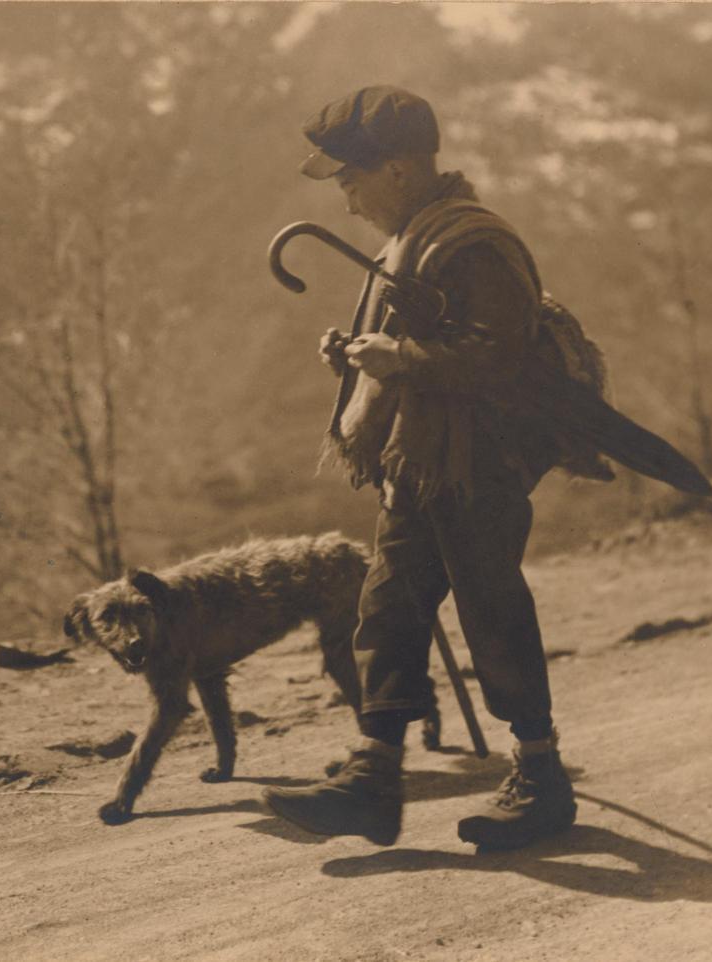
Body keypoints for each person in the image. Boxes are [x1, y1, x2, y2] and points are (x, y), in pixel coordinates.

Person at [262, 85, 578, 850]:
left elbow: (498, 359)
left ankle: (540, 778)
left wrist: (397, 357)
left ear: (399, 169)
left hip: (478, 466)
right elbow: (421, 339)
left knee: (491, 611)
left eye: (351, 179)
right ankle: (374, 779)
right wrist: (360, 355)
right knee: (390, 610)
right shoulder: (410, 240)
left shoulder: (473, 242)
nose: (344, 200)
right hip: (421, 461)